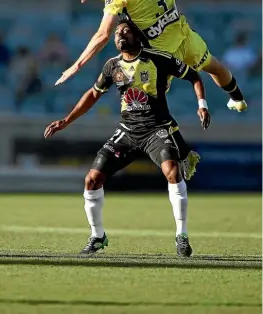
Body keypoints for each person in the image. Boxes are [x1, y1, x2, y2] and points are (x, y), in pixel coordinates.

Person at [45, 20, 211, 257]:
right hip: (127, 131)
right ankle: (97, 236)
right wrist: (66, 121)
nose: (120, 36)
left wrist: (202, 105)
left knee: (173, 172)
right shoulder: (112, 66)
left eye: (125, 32)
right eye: (117, 33)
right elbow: (93, 94)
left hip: (157, 129)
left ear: (138, 37)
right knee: (91, 180)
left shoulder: (158, 58)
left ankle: (181, 236)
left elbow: (194, 76)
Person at [55, 0, 247, 115]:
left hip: (161, 54)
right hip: (184, 35)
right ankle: (237, 99)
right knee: (215, 68)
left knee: (143, 108)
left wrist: (76, 66)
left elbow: (103, 35)